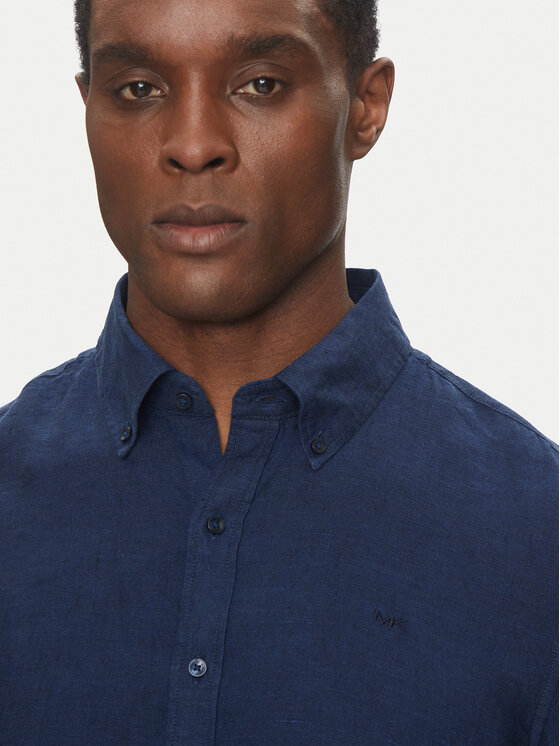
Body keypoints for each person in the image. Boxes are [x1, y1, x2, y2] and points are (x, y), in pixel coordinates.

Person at [0, 0, 556, 743]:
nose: (193, 146)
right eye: (139, 89)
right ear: (87, 109)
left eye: (259, 84)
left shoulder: (538, 534)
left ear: (366, 106)